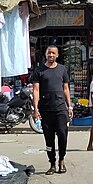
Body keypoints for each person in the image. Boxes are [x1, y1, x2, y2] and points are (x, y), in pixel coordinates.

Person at [31, 45, 73, 175]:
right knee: (49, 139)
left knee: (62, 134)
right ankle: (52, 163)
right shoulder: (39, 71)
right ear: (45, 54)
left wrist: (69, 106)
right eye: (49, 53)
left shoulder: (62, 69)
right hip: (46, 109)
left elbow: (66, 89)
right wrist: (36, 109)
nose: (51, 55)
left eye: (53, 53)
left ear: (57, 55)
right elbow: (36, 90)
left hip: (61, 108)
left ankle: (61, 160)